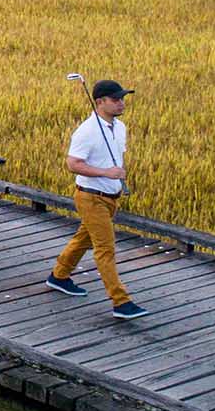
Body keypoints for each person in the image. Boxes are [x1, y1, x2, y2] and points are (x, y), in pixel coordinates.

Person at [46, 79, 149, 319]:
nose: (121, 103)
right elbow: (73, 164)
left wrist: (116, 181)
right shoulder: (87, 131)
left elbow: (115, 158)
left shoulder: (120, 127)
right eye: (116, 100)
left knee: (84, 238)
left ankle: (59, 276)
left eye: (122, 98)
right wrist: (106, 173)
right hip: (90, 197)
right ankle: (121, 302)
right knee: (105, 248)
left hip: (110, 195)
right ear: (100, 102)